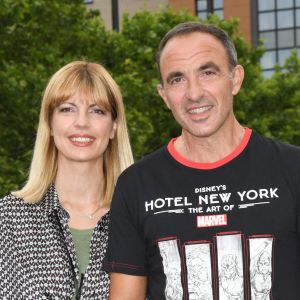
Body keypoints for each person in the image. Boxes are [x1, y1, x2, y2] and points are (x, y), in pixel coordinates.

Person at [102, 22, 300, 299]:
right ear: (164, 96)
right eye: (177, 79)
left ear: (236, 78)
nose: (194, 93)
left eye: (207, 72)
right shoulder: (136, 185)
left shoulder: (293, 169)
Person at [0, 61, 133, 299]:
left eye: (97, 110)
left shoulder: (138, 220)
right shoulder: (7, 220)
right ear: (49, 124)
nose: (82, 122)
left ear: (114, 126)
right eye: (67, 109)